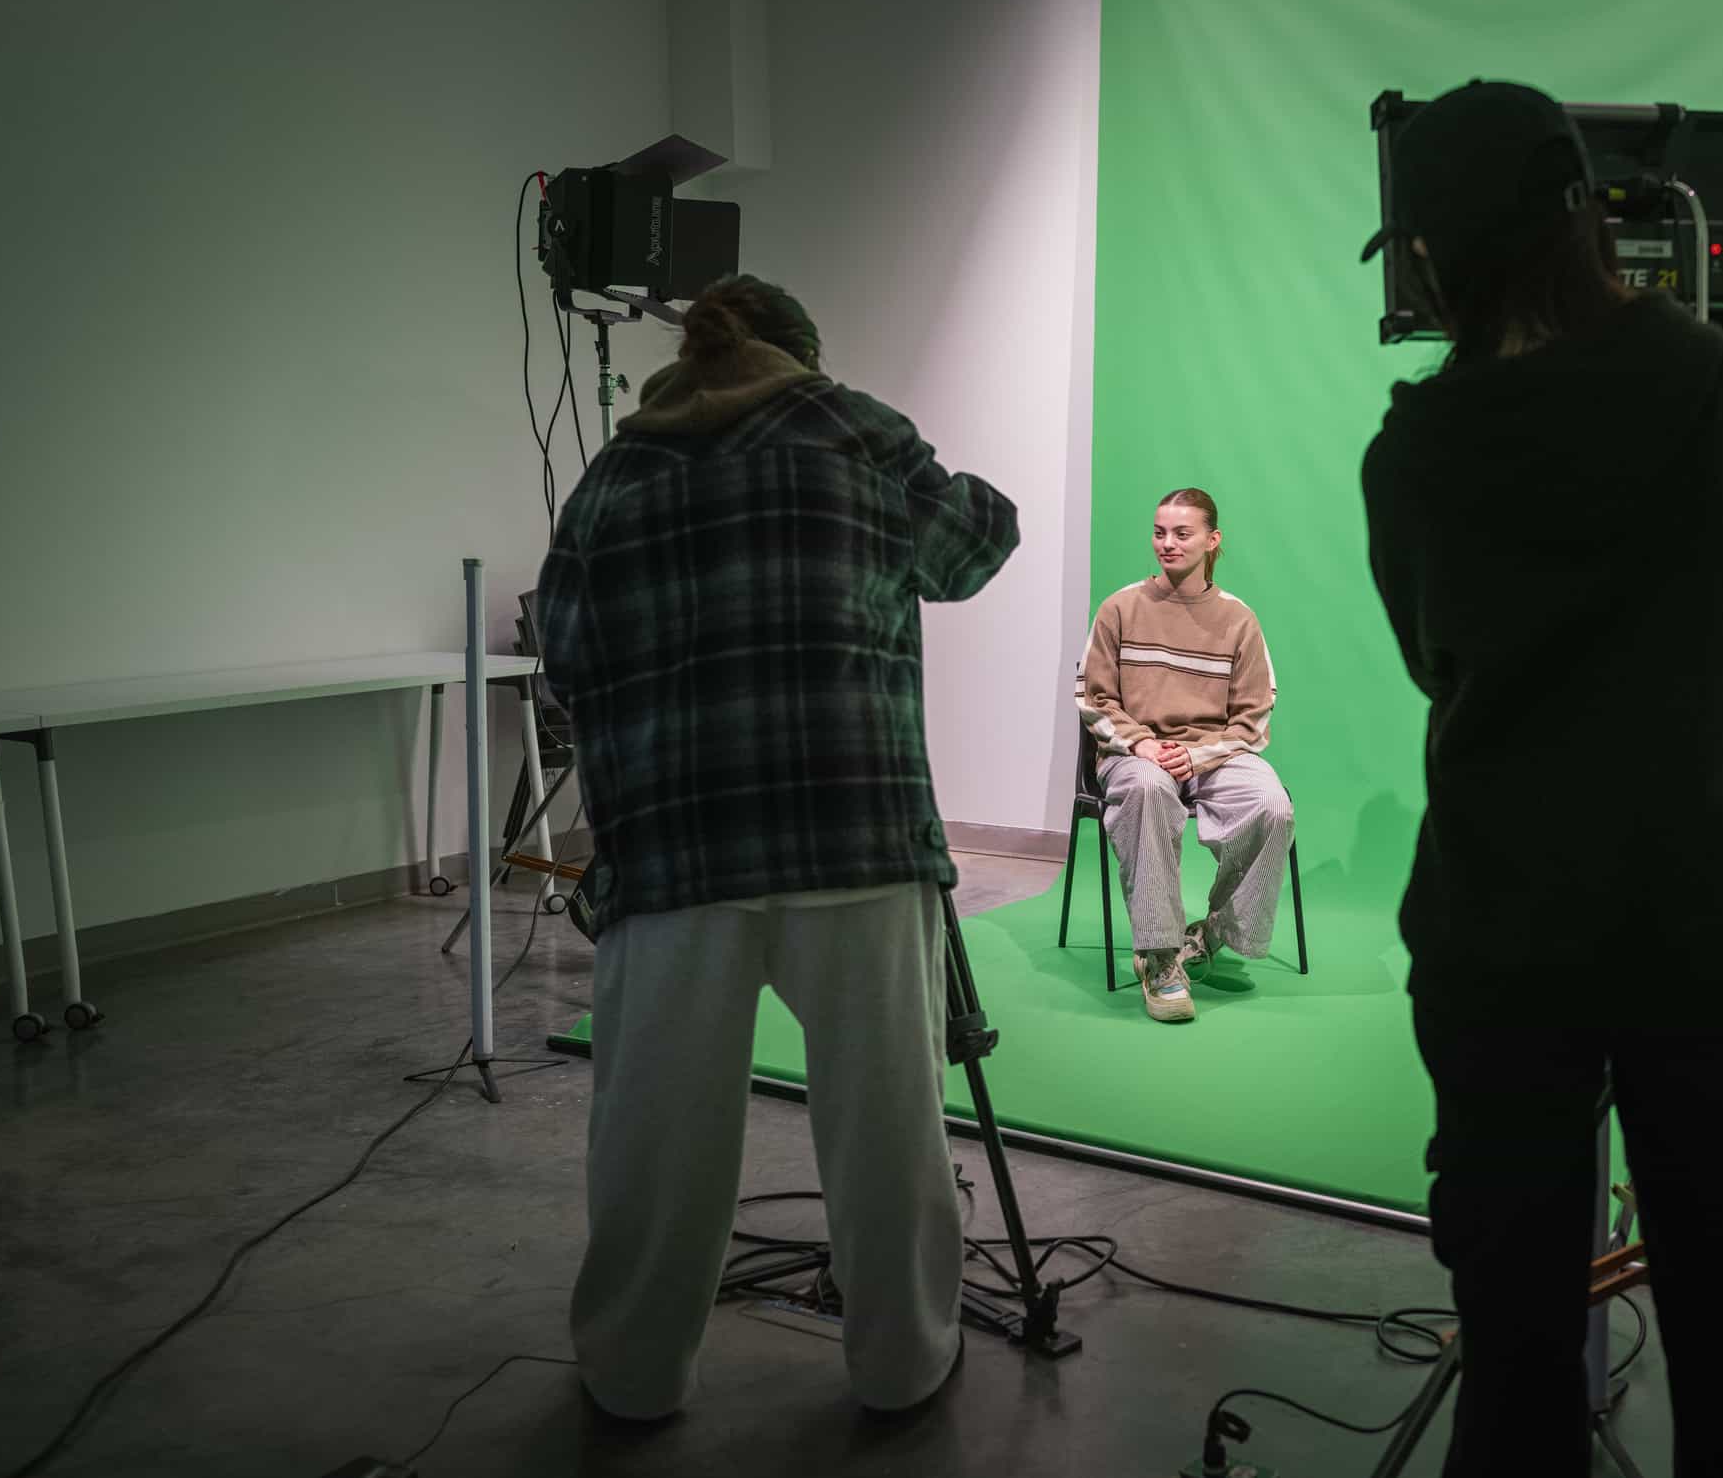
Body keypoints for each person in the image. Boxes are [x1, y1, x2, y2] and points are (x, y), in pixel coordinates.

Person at [1358, 81, 1723, 1477]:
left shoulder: (1414, 449)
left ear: (1433, 258)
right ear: (1589, 218)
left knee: (1513, 1340)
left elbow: (1430, 659)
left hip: (1498, 936)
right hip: (1701, 926)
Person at [533, 275, 1019, 1424]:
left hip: (670, 846)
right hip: (850, 825)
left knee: (653, 1139)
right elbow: (972, 546)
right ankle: (904, 1366)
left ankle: (633, 1377)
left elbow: (562, 651)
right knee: (887, 1127)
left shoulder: (617, 472)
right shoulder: (853, 428)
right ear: (801, 355)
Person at [1075, 488, 1294, 1023]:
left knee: (1271, 803)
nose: (1166, 543)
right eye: (1159, 532)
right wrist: (1142, 743)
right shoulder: (1120, 607)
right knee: (1148, 788)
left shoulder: (1239, 620)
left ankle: (1210, 933)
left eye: (1181, 533)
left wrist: (1199, 758)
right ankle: (1159, 955)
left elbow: (1254, 716)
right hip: (1136, 753)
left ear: (1211, 540)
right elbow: (1091, 695)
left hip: (1211, 756)